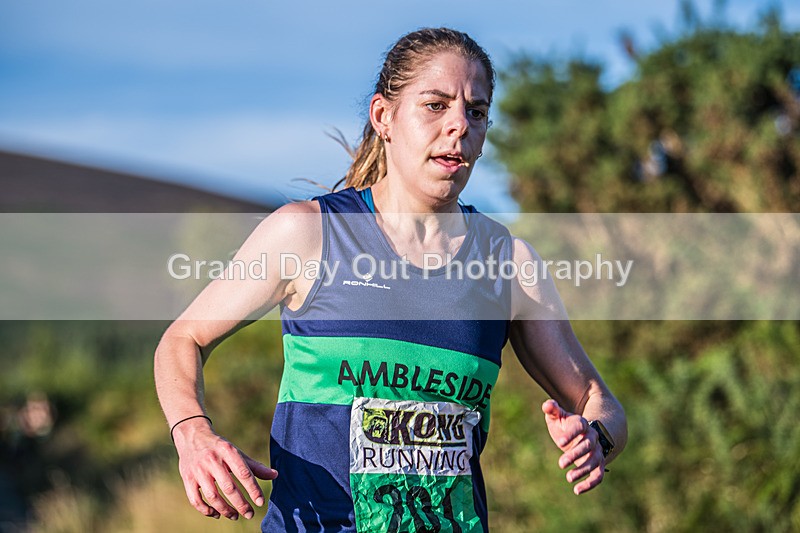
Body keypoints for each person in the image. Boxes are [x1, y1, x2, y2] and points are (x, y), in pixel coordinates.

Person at [154, 27, 627, 532]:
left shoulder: (508, 263)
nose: (458, 127)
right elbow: (182, 338)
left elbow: (603, 406)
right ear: (385, 117)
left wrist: (593, 438)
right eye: (435, 105)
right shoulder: (308, 232)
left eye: (476, 112)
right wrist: (193, 436)